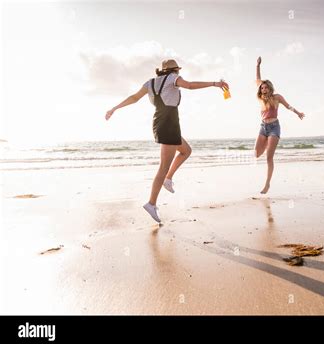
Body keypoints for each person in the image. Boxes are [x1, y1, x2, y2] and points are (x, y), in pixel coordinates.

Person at [105, 59, 229, 223]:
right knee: (163, 167)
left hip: (161, 122)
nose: (178, 74)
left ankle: (168, 179)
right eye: (177, 71)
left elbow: (134, 97)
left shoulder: (150, 82)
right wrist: (215, 84)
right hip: (169, 123)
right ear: (174, 70)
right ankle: (151, 203)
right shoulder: (172, 78)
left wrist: (114, 108)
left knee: (186, 151)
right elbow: (190, 85)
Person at [254, 56, 305, 194]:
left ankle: (267, 184)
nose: (263, 89)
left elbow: (288, 106)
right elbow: (257, 79)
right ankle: (266, 145)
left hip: (274, 128)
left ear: (269, 88)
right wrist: (257, 65)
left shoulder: (277, 97)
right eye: (262, 87)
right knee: (256, 154)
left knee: (269, 157)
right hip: (263, 127)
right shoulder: (261, 98)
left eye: (265, 87)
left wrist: (298, 112)